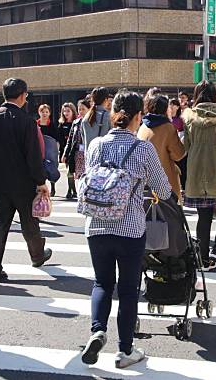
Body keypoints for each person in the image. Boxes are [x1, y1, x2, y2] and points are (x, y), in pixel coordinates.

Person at [80, 91, 171, 369]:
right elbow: (164, 190)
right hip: (129, 228)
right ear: (138, 116)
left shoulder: (96, 145)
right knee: (129, 289)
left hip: (95, 225)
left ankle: (97, 331)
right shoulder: (143, 149)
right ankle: (125, 350)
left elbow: (87, 176)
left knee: (101, 283)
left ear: (113, 114)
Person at [0, 78, 52, 282]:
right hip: (23, 183)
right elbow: (33, 155)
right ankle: (37, 256)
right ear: (22, 95)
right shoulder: (26, 120)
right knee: (29, 222)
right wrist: (40, 181)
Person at [182, 80, 216, 270]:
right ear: (215, 96)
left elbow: (184, 148)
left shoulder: (189, 117)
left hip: (196, 174)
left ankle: (203, 259)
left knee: (203, 218)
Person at [137, 92, 186, 201]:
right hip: (165, 182)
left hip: (145, 182)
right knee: (169, 215)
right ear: (165, 109)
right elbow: (178, 154)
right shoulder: (168, 128)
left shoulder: (143, 126)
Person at [63, 98, 91, 183]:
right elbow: (70, 139)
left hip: (88, 153)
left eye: (83, 109)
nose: (81, 111)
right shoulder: (76, 122)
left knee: (88, 177)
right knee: (79, 178)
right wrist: (65, 152)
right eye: (79, 109)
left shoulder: (92, 122)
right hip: (78, 153)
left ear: (88, 109)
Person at [37, 104, 59, 196]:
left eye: (46, 112)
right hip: (39, 149)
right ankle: (42, 187)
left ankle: (53, 186)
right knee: (40, 167)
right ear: (39, 112)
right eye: (42, 112)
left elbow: (56, 138)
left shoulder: (52, 125)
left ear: (49, 113)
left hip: (50, 149)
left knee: (52, 166)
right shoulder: (35, 124)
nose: (44, 114)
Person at [81, 87, 112, 151]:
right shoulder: (108, 116)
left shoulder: (86, 118)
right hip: (104, 157)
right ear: (106, 100)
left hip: (89, 157)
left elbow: (84, 141)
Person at [57, 102, 78, 199]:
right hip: (65, 151)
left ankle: (74, 190)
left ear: (73, 111)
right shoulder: (61, 124)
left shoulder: (77, 123)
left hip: (75, 151)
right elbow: (60, 140)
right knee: (69, 172)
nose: (66, 113)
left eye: (68, 111)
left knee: (74, 172)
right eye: (64, 111)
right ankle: (71, 190)